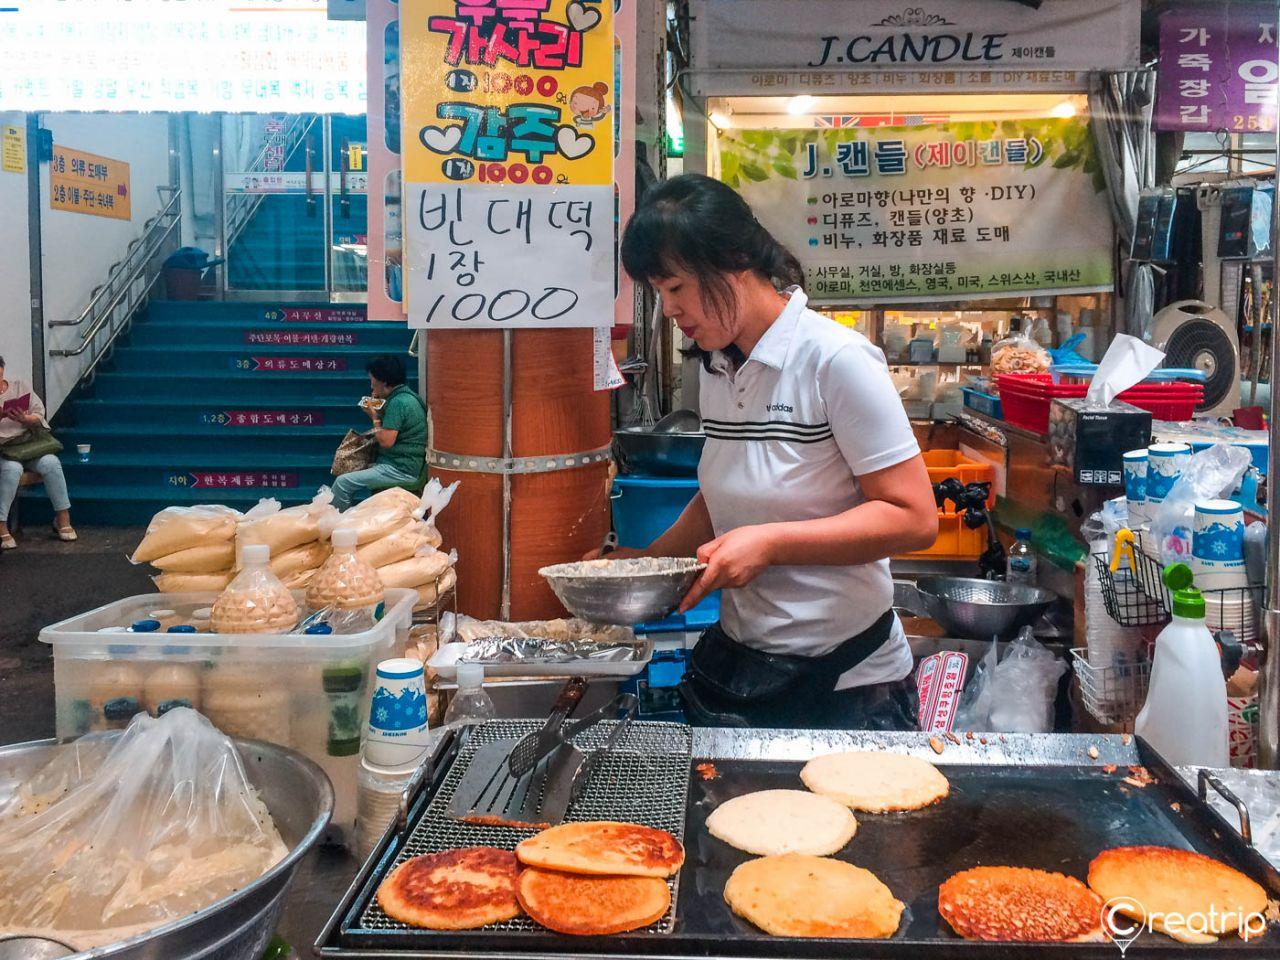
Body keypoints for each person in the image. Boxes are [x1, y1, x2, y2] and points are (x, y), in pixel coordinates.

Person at [604, 175, 938, 730]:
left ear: (734, 260)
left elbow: (913, 518)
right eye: (659, 294)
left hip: (849, 686)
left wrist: (772, 543)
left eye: (677, 288)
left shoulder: (836, 360)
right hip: (746, 660)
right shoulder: (717, 364)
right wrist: (649, 565)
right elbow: (726, 493)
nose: (668, 310)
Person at [331, 355, 426, 511]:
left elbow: (386, 442)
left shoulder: (398, 403)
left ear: (383, 381)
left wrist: (374, 416)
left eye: (372, 380)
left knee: (343, 483)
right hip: (401, 464)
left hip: (400, 469)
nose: (371, 385)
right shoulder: (405, 397)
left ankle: (331, 526)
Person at [0, 355, 76, 549]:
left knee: (51, 463)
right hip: (4, 449)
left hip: (28, 444)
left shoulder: (19, 386)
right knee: (12, 469)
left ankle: (62, 517)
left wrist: (25, 419)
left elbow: (39, 414)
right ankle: (1, 525)